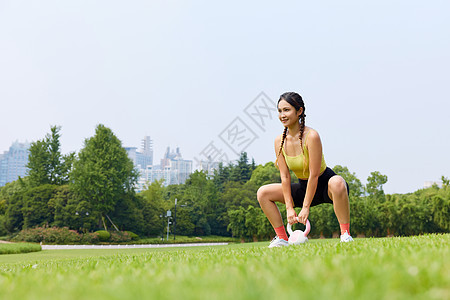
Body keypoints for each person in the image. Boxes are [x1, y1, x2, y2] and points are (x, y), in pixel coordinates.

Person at [257, 92, 353, 248]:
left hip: (324, 185)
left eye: (286, 110)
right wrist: (289, 208)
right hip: (303, 187)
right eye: (280, 111)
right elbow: (285, 177)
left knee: (338, 182)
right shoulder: (279, 141)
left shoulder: (312, 136)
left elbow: (314, 175)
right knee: (263, 193)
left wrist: (305, 207)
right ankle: (282, 238)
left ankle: (345, 235)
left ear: (299, 111)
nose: (282, 115)